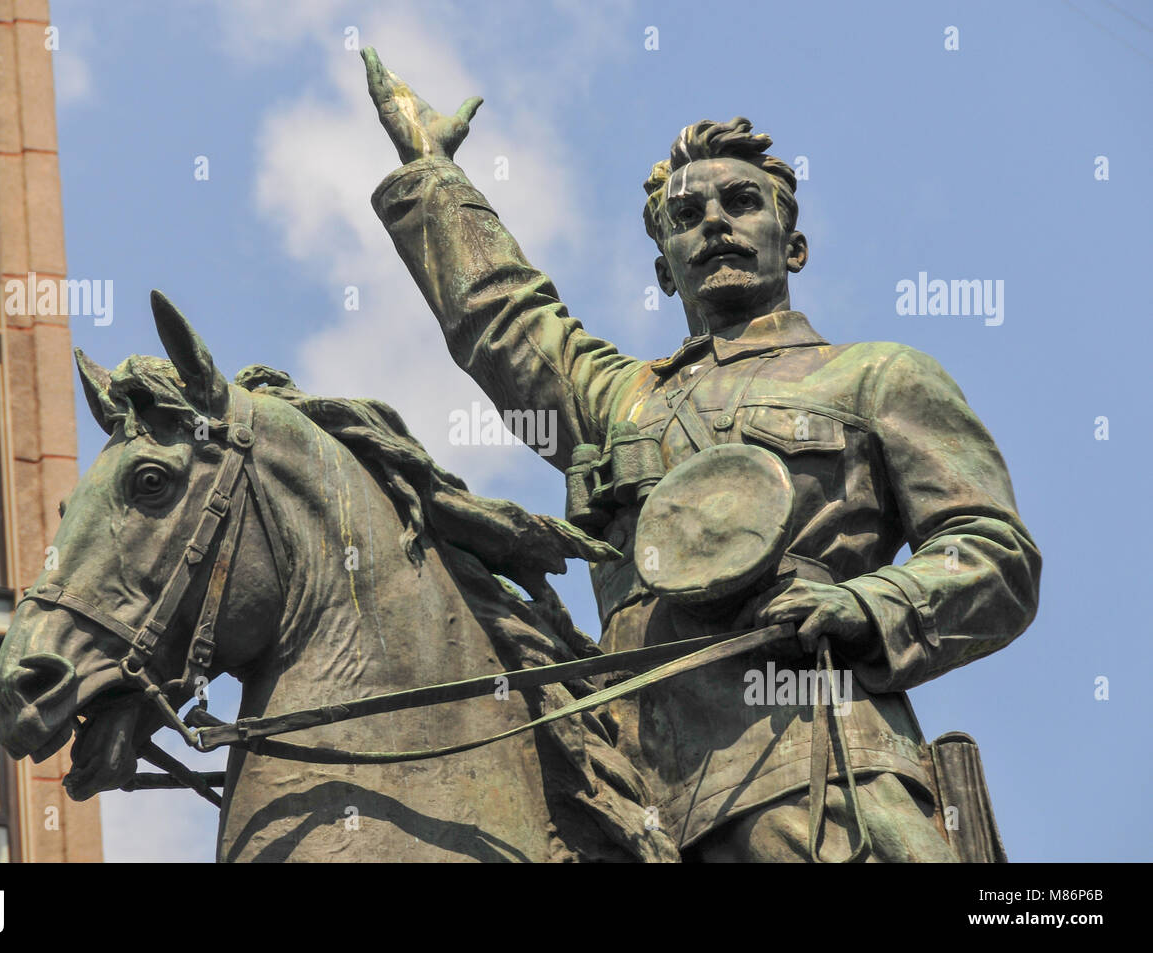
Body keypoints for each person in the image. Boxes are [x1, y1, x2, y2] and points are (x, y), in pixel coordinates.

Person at [361, 48, 1040, 862]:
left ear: (794, 245)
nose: (713, 221)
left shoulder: (880, 377)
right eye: (687, 218)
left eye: (741, 202)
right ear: (663, 268)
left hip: (812, 774)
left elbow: (993, 555)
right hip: (621, 794)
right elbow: (500, 319)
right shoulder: (619, 400)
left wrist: (866, 605)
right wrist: (433, 174)